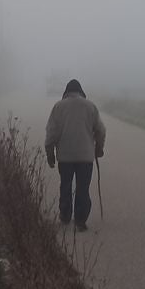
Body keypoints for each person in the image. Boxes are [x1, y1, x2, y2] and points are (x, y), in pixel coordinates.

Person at [44, 78, 107, 231]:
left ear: (66, 92)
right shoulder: (90, 106)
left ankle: (65, 217)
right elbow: (101, 130)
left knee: (65, 186)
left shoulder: (58, 107)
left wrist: (50, 153)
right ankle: (80, 220)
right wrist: (99, 148)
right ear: (81, 92)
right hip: (85, 157)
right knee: (83, 188)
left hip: (65, 157)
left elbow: (51, 133)